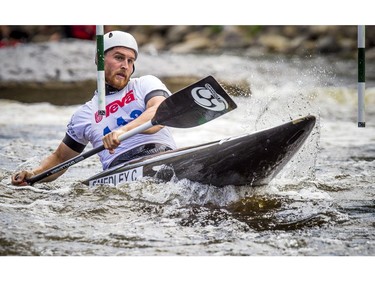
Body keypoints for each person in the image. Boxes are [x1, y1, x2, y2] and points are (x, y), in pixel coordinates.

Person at [11, 30, 177, 186]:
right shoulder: (84, 115)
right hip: (120, 172)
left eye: (130, 60)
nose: (125, 65)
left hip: (164, 155)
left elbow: (159, 113)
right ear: (100, 61)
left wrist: (121, 132)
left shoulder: (145, 84)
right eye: (119, 58)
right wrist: (33, 174)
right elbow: (60, 159)